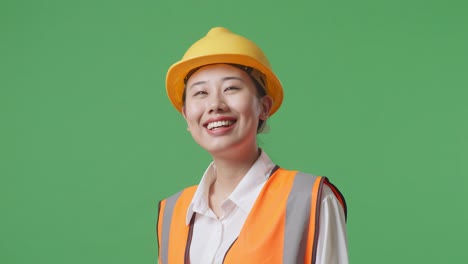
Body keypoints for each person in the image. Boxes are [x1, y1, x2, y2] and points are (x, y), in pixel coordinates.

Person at [157, 27, 348, 264]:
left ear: (264, 108)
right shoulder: (172, 213)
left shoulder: (309, 198)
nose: (215, 104)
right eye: (201, 92)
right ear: (186, 115)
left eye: (231, 88)